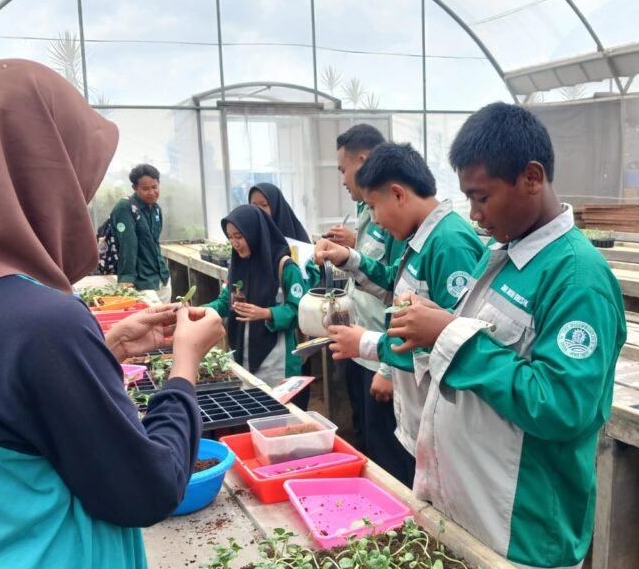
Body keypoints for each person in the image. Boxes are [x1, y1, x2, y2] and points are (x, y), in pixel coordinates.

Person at [0, 59, 226, 569]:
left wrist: (104, 350)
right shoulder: (38, 322)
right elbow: (148, 489)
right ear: (30, 172)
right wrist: (185, 365)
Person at [387, 102, 626, 569]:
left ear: (531, 177)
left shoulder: (577, 278)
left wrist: (452, 336)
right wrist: (442, 322)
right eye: (469, 199)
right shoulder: (504, 252)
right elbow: (487, 341)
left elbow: (563, 405)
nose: (475, 215)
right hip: (475, 513)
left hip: (523, 533)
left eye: (482, 197)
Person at [315, 142, 485, 487]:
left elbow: (458, 342)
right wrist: (349, 258)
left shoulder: (450, 243)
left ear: (397, 194)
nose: (375, 219)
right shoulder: (421, 237)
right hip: (418, 414)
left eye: (373, 207)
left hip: (441, 422)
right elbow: (397, 286)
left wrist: (369, 344)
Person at [331, 124, 408, 470]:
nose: (343, 180)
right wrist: (348, 254)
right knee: (367, 443)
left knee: (389, 456)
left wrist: (388, 369)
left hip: (382, 354)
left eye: (342, 170)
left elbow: (402, 296)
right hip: (362, 348)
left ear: (362, 161)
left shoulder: (398, 217)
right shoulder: (368, 211)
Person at [203, 205, 317, 404]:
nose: (234, 243)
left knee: (278, 408)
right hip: (242, 353)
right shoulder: (238, 266)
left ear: (254, 233)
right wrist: (198, 311)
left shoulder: (285, 267)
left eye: (239, 236)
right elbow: (225, 301)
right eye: (230, 237)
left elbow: (299, 310)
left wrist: (266, 313)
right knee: (250, 406)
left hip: (277, 359)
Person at [112, 163, 170, 304]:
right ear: (135, 188)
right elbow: (127, 245)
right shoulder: (126, 208)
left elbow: (154, 243)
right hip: (141, 281)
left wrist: (164, 273)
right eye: (145, 189)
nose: (151, 192)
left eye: (154, 187)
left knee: (167, 315)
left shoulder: (156, 209)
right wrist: (127, 279)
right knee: (153, 315)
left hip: (161, 276)